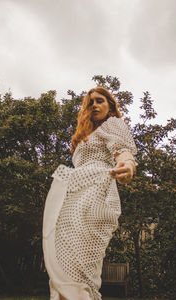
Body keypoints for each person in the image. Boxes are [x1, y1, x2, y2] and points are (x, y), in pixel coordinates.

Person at [42, 86, 137, 300]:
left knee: (82, 263)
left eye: (100, 100)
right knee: (61, 260)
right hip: (70, 197)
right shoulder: (83, 137)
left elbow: (123, 151)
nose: (94, 104)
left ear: (110, 107)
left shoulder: (113, 124)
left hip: (95, 193)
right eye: (90, 102)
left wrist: (127, 165)